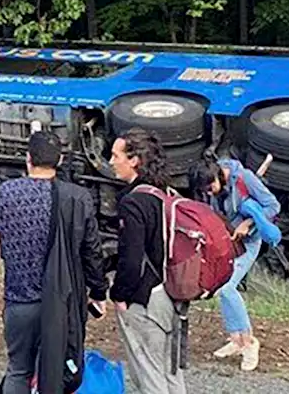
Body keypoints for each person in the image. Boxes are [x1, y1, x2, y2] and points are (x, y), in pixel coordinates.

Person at [0, 130, 108, 394]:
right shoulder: (77, 197)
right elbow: (92, 250)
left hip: (19, 301)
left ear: (28, 159)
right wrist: (98, 292)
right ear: (60, 160)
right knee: (55, 370)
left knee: (18, 369)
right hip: (62, 302)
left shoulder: (6, 193)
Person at [108, 129, 186, 394]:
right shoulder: (167, 193)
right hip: (174, 294)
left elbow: (131, 259)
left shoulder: (133, 202)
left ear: (134, 160)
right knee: (171, 373)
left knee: (149, 375)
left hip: (145, 300)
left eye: (115, 155)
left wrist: (119, 294)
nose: (111, 161)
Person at [187, 153, 281, 372]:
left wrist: (248, 223)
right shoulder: (208, 187)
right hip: (225, 241)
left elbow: (273, 207)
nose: (209, 192)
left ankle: (249, 343)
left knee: (228, 287)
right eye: (204, 191)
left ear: (219, 175)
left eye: (211, 187)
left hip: (248, 241)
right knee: (221, 287)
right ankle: (236, 339)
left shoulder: (244, 179)